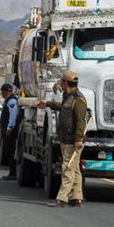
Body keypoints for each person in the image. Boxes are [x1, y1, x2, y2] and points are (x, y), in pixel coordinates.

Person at [38, 70, 88, 207]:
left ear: (66, 83)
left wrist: (78, 139)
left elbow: (81, 121)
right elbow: (63, 108)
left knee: (67, 169)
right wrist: (48, 103)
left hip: (72, 140)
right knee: (75, 169)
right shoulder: (68, 96)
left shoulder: (78, 99)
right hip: (66, 139)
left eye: (61, 82)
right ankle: (76, 198)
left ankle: (62, 198)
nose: (60, 83)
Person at [0, 83, 21, 180]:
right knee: (8, 151)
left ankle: (13, 173)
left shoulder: (11, 101)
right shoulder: (8, 101)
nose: (1, 94)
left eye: (2, 92)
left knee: (10, 151)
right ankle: (12, 172)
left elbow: (13, 115)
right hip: (7, 131)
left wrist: (9, 128)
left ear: (5, 91)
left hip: (10, 132)